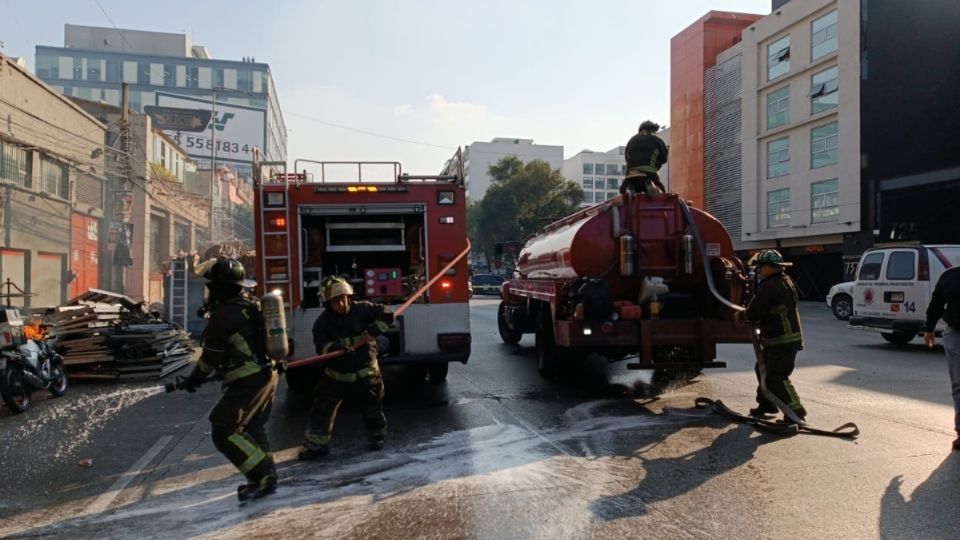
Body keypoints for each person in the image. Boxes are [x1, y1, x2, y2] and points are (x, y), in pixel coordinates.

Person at [179, 258, 279, 501]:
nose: (209, 292)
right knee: (252, 427)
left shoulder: (222, 315)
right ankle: (262, 477)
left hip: (249, 379)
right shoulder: (250, 305)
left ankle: (264, 475)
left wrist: (194, 379)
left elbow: (208, 360)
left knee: (223, 427)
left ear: (220, 288)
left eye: (211, 287)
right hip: (267, 375)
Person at [299, 276, 394, 460]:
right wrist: (335, 349)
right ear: (328, 302)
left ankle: (377, 437)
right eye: (337, 300)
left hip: (366, 371)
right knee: (322, 407)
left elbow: (387, 313)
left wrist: (375, 329)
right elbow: (322, 348)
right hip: (337, 374)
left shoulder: (363, 309)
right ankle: (317, 445)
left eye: (345, 298)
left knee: (372, 407)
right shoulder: (322, 323)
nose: (342, 303)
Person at [734, 249, 807, 423]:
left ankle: (796, 412)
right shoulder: (784, 281)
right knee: (762, 370)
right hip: (780, 340)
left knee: (776, 378)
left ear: (770, 267)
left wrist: (743, 314)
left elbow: (755, 312)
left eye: (760, 267)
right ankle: (767, 404)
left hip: (781, 341)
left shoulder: (770, 286)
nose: (758, 271)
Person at [923, 265, 960, 451]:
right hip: (956, 334)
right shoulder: (950, 276)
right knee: (959, 386)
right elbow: (936, 303)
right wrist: (929, 328)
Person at [622, 120, 669, 196]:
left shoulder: (631, 141)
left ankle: (631, 188)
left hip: (630, 175)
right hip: (649, 174)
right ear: (653, 130)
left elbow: (627, 159)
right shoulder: (657, 140)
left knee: (623, 190)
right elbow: (664, 159)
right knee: (661, 191)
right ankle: (651, 185)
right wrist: (656, 164)